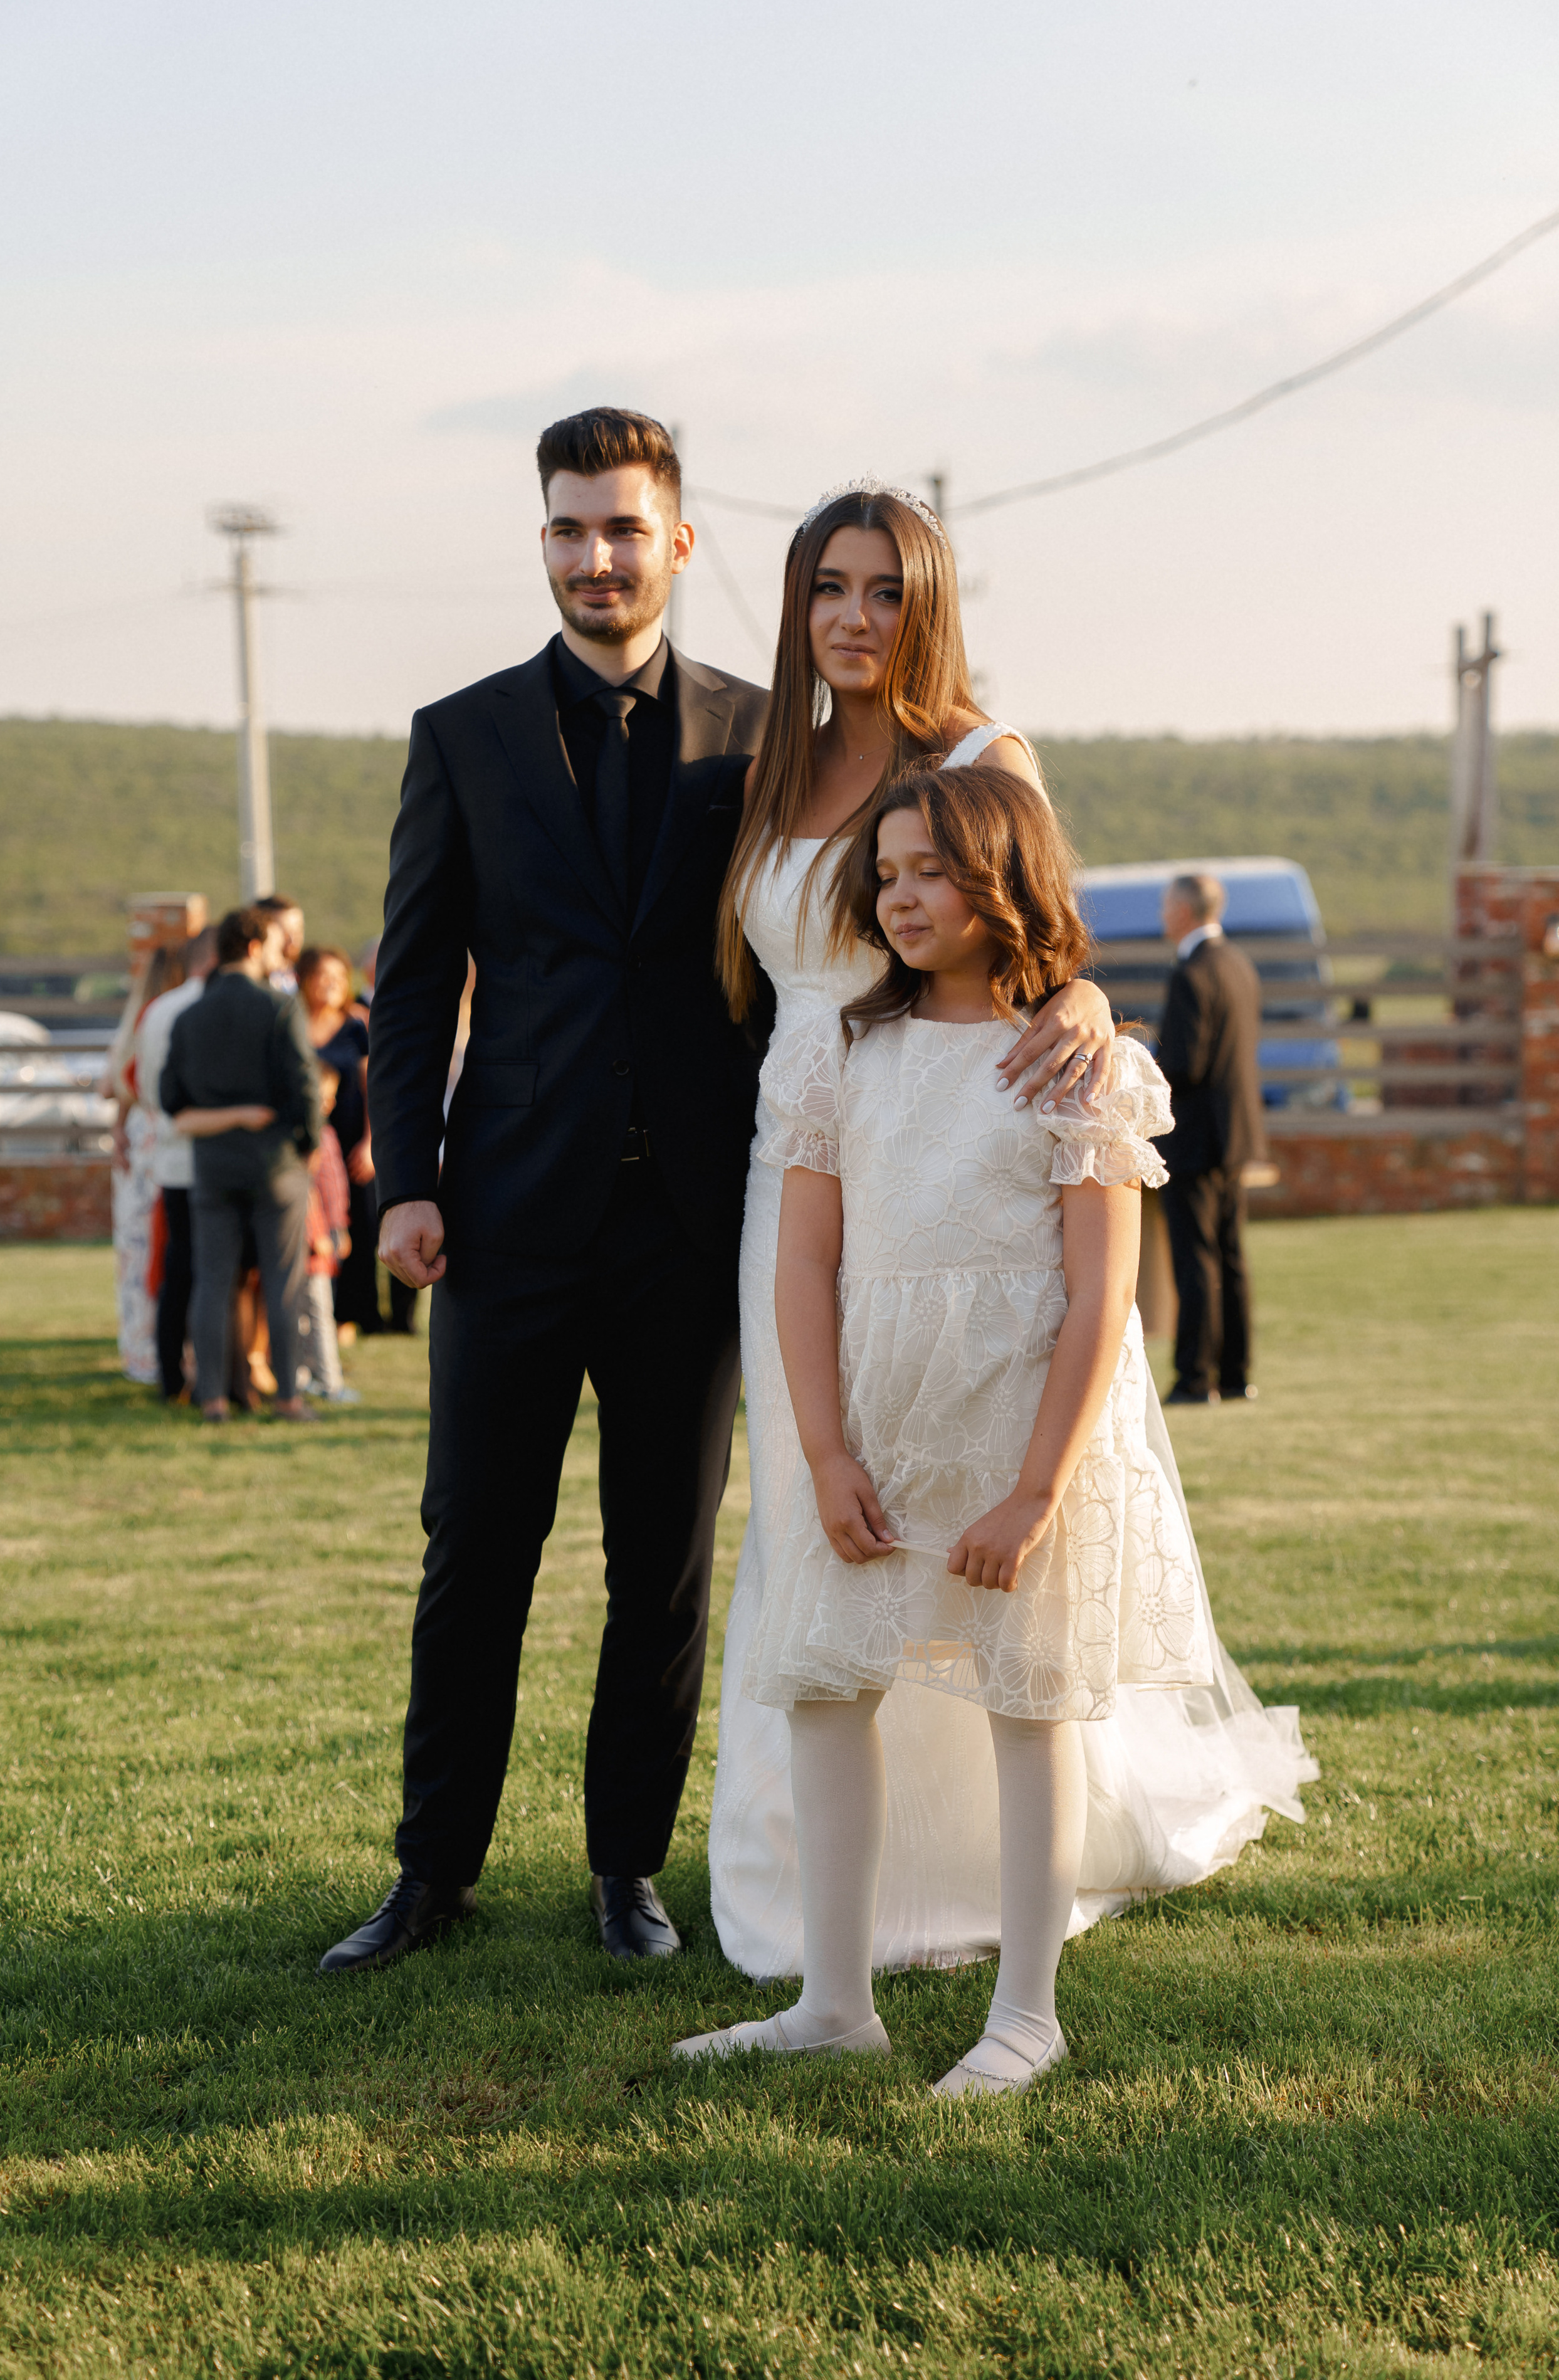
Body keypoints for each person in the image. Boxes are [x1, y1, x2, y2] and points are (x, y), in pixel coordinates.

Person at [323, 413, 1113, 1981]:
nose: (595, 555)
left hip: (705, 1214)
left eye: (623, 528)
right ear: (544, 544)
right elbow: (411, 985)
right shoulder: (459, 736)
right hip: (500, 1211)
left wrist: (1076, 999)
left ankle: (627, 1866)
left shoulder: (764, 741)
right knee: (472, 1544)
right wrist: (400, 1181)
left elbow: (957, 914)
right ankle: (430, 1871)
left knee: (664, 1560)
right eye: (567, 529)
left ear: (679, 544)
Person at [707, 480, 1315, 1985]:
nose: (853, 618)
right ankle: (818, 1909)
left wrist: (1097, 1005)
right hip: (807, 1152)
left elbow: (1042, 940)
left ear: (926, 602)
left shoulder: (980, 756)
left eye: (884, 590)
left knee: (974, 1513)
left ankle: (983, 1876)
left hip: (959, 1147)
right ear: (795, 608)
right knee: (819, 1513)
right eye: (826, 589)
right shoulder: (762, 768)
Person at [160, 905, 325, 1424]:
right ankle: (288, 1399)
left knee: (212, 1283)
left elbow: (170, 1096)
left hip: (212, 1166)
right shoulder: (280, 1007)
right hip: (276, 1162)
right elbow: (306, 1086)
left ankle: (211, 1398)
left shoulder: (190, 1016)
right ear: (254, 947)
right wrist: (309, 1144)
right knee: (282, 1283)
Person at [1154, 873, 1265, 1406]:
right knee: (1231, 1256)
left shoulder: (1190, 974)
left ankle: (1196, 1378)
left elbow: (1183, 1063)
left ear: (1183, 911)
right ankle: (1236, 1373)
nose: (1162, 914)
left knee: (1195, 1258)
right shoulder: (1239, 965)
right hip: (1236, 1136)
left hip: (1195, 1139)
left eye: (1166, 904)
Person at [134, 925, 219, 1401]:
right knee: (215, 1274)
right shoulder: (206, 1008)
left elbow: (149, 1089)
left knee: (177, 1270)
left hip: (170, 1159)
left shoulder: (157, 1010)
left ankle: (170, 1376)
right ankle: (215, 1377)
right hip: (209, 1158)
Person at [105, 944, 187, 1385]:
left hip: (136, 1134)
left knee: (135, 1251)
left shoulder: (133, 1023)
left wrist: (119, 1126)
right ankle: (171, 1350)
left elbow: (113, 1085)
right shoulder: (170, 1018)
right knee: (166, 1242)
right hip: (164, 1133)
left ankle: (139, 1350)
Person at [297, 945, 384, 1337]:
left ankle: (352, 1315)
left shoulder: (357, 1025)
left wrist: (370, 1142)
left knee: (361, 1227)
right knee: (314, 1229)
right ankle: (315, 1311)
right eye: (323, 976)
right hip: (305, 1143)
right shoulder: (292, 1022)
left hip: (352, 1141)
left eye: (338, 976)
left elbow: (373, 1088)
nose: (331, 985)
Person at [298, 1063, 359, 1404]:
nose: (329, 1104)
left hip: (325, 1234)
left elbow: (335, 1189)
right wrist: (319, 1234)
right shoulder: (309, 1140)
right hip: (310, 1240)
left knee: (311, 1310)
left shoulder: (326, 1133)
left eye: (331, 1098)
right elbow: (307, 1189)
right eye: (323, 1098)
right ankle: (329, 1381)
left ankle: (305, 1374)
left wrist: (340, 1227)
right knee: (317, 1312)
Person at [256, 894, 304, 994]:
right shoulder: (254, 979)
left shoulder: (308, 973)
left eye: (297, 930)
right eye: (284, 932)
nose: (293, 939)